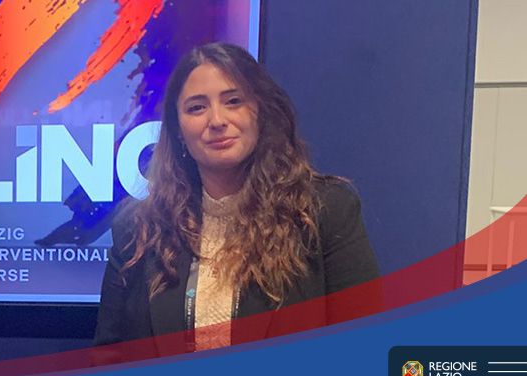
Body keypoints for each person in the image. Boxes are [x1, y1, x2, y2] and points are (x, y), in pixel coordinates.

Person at [94, 43, 381, 357]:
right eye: (197, 108)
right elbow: (109, 359)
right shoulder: (138, 229)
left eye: (233, 101)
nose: (217, 120)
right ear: (178, 130)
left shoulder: (323, 212)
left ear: (260, 112)